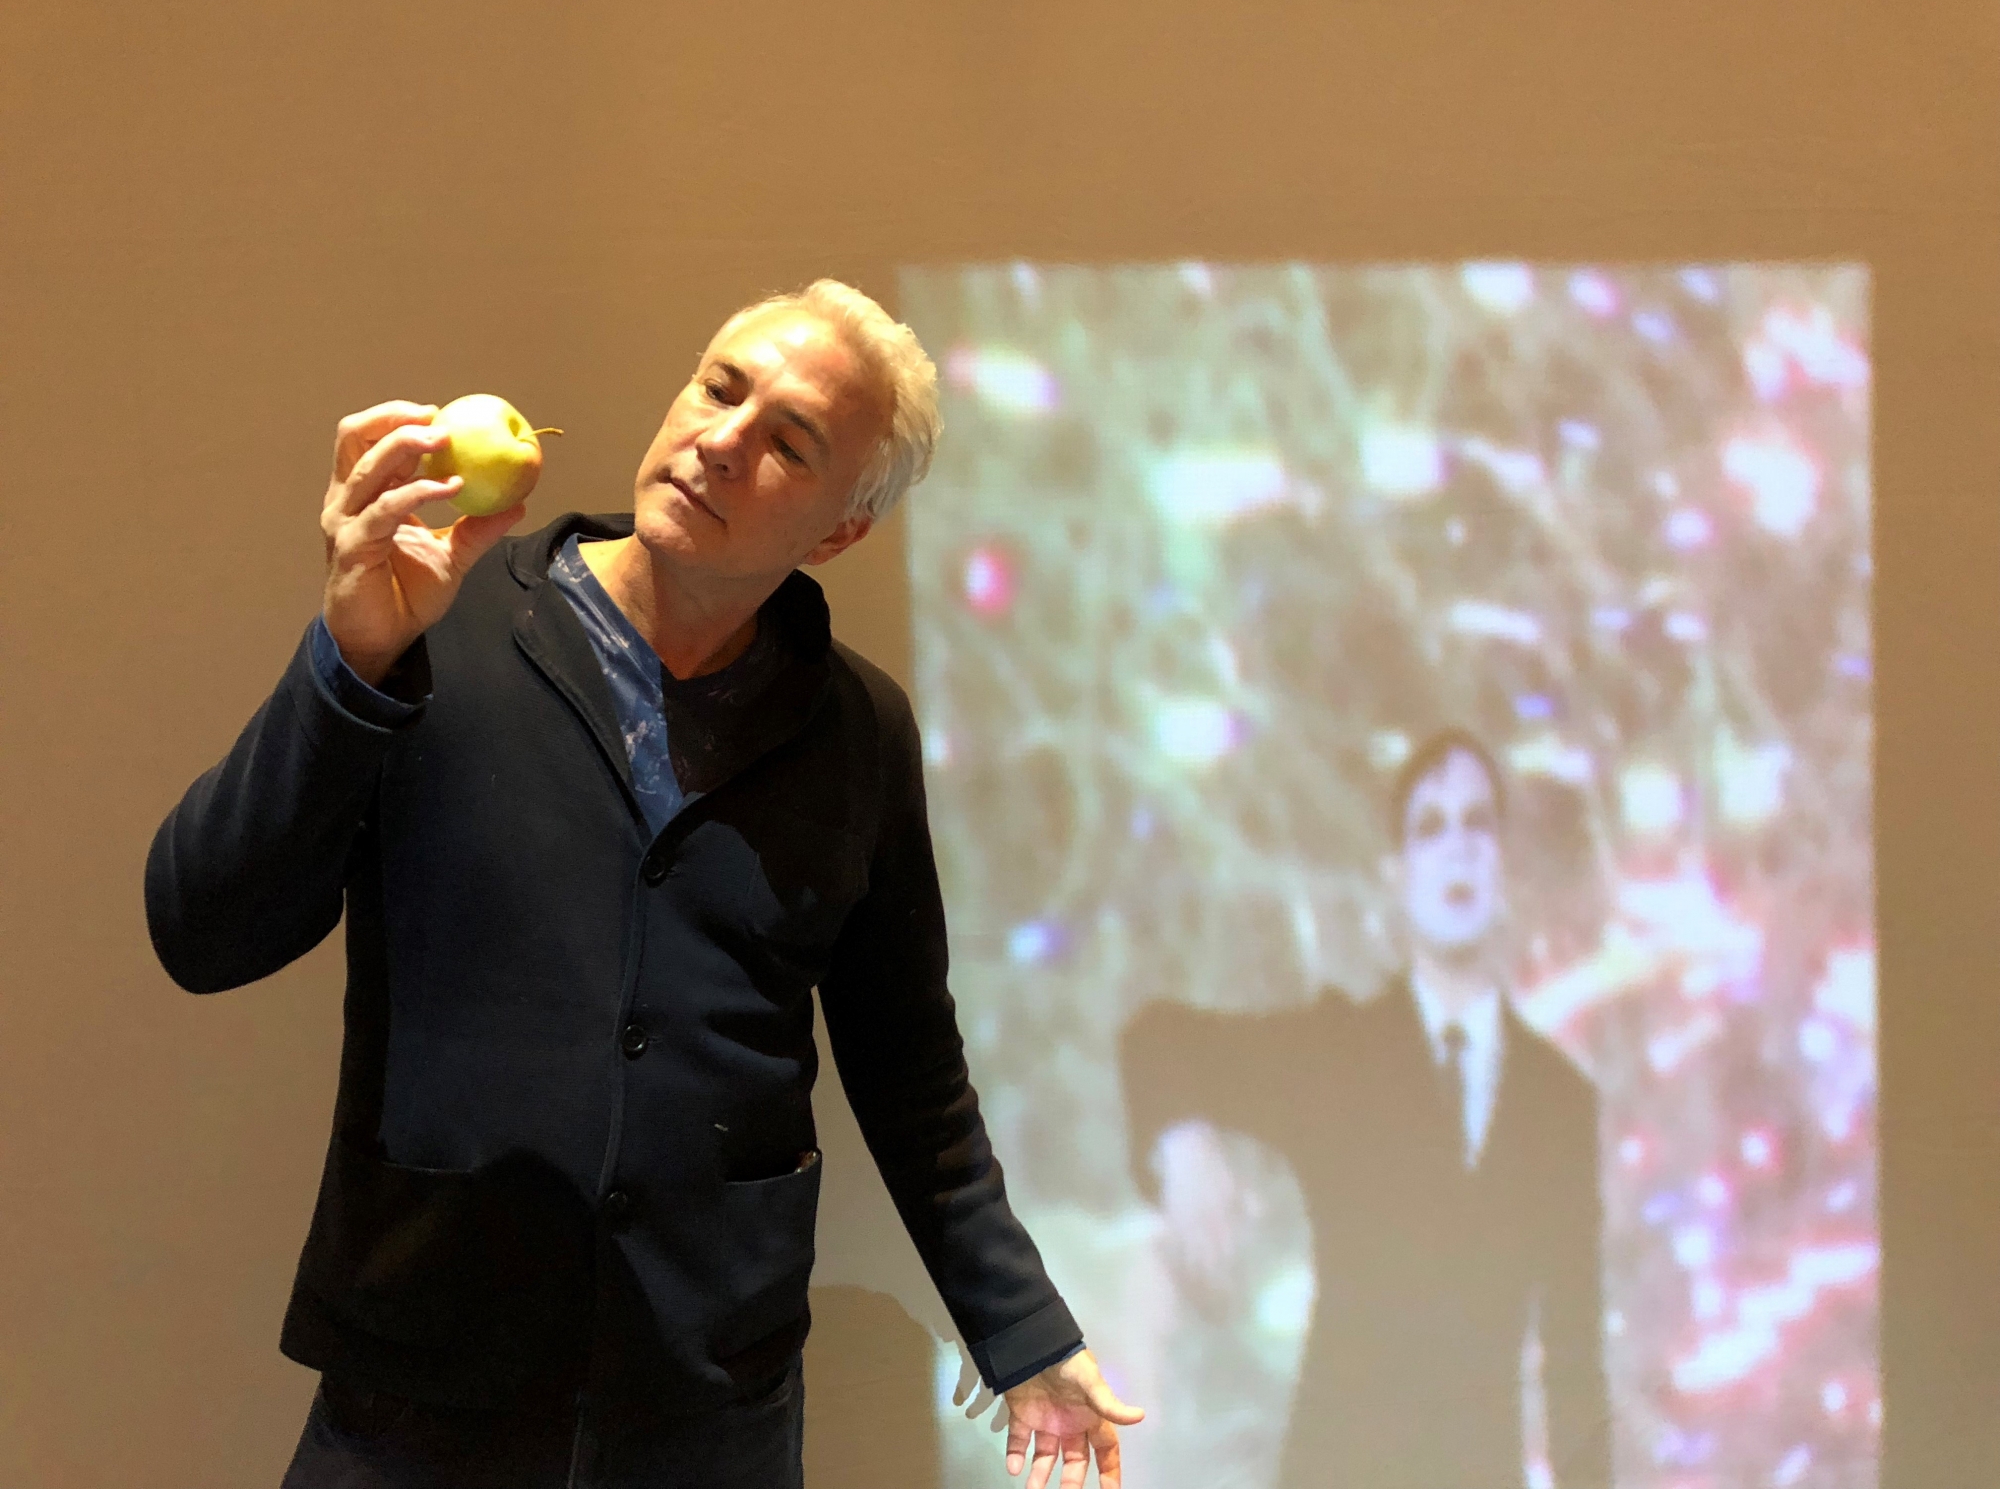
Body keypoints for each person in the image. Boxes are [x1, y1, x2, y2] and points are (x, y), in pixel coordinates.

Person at [146, 280, 1141, 1489]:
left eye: (789, 443)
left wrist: (1026, 1336)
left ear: (837, 532)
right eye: (720, 388)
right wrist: (352, 663)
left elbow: (911, 1072)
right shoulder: (438, 631)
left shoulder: (856, 732)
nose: (722, 441)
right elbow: (204, 931)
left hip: (705, 1410)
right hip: (421, 1384)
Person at [1119, 729, 1610, 1489]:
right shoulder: (1338, 1055)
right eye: (1430, 827)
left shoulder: (1559, 1104)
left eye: (1480, 823)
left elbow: (1576, 1369)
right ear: (1396, 876)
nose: (1459, 849)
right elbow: (1159, 1039)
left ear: (1506, 868)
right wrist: (1184, 1150)